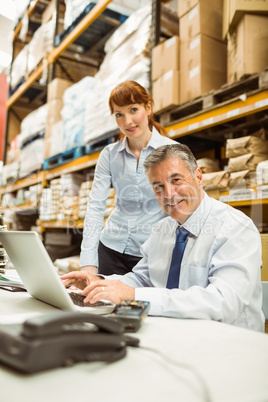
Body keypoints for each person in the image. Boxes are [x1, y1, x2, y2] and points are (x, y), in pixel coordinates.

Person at [62, 143, 265, 332]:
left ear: (199, 177)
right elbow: (143, 278)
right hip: (175, 334)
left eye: (176, 180)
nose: (168, 193)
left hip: (229, 343)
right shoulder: (163, 229)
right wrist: (98, 283)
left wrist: (132, 296)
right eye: (158, 186)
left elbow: (223, 303)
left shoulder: (236, 228)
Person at [80, 80, 176, 276]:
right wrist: (88, 263)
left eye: (133, 110)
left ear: (148, 108)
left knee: (144, 306)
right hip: (109, 249)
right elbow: (96, 207)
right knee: (105, 305)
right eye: (119, 115)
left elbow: (181, 207)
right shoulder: (109, 155)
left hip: (151, 254)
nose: (128, 122)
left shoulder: (171, 151)